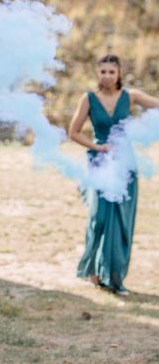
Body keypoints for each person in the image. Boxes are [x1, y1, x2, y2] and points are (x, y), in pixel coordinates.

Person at [68, 54, 159, 296]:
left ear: (119, 74)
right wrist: (96, 147)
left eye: (112, 71)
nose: (107, 76)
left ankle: (115, 276)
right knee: (99, 217)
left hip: (125, 165)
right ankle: (94, 271)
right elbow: (73, 132)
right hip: (99, 163)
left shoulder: (132, 96)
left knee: (121, 220)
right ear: (97, 73)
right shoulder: (88, 99)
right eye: (103, 71)